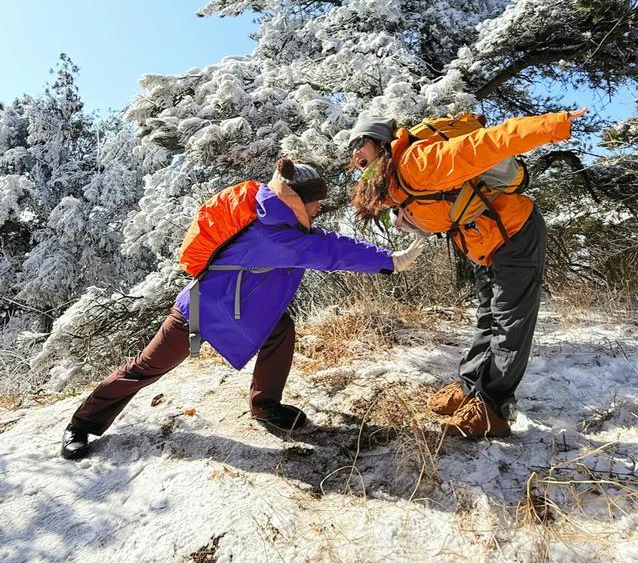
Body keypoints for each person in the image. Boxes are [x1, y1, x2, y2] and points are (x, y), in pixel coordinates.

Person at [61, 158, 424, 459]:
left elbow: (322, 241)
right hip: (200, 312)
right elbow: (329, 251)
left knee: (280, 329)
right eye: (314, 201)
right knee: (147, 367)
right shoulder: (273, 233)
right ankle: (81, 425)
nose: (318, 208)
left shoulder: (274, 218)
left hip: (241, 311)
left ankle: (265, 405)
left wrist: (385, 258)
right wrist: (390, 261)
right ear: (295, 198)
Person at [346, 107, 588, 439]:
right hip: (484, 241)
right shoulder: (392, 181)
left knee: (510, 322)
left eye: (358, 143)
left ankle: (493, 407)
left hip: (514, 233)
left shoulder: (419, 162)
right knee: (488, 317)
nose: (354, 152)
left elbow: (489, 144)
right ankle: (470, 387)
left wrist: (553, 124)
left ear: (379, 142)